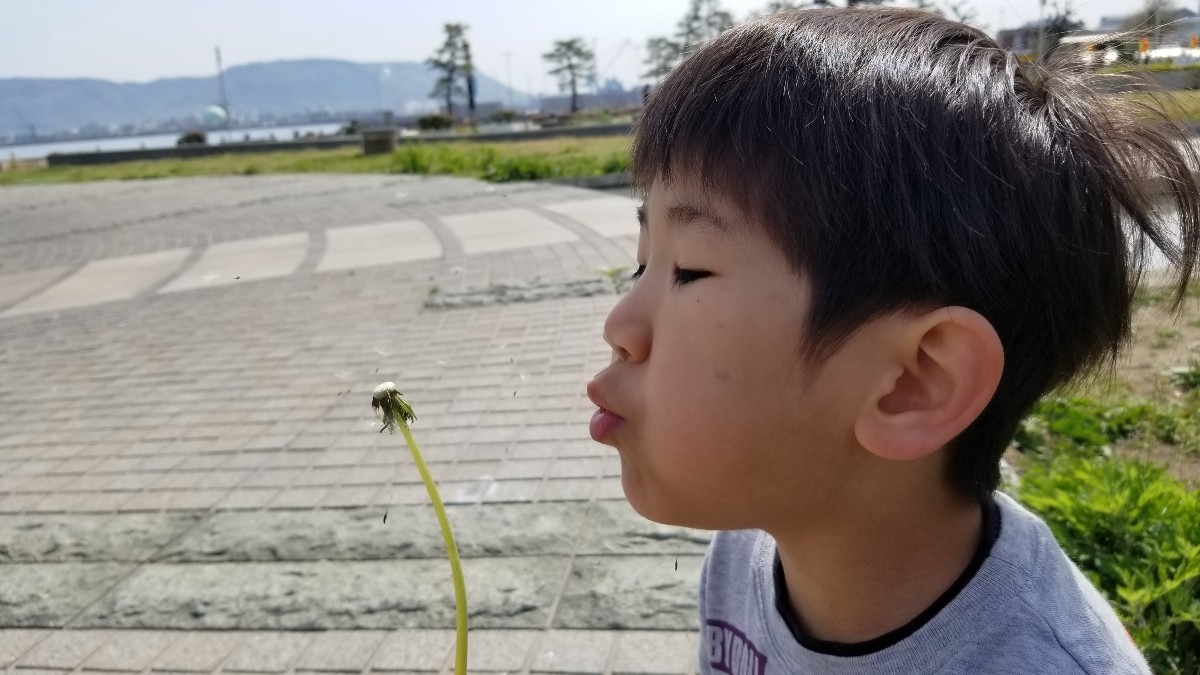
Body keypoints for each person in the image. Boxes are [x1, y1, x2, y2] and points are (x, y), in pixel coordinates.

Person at [585, 7, 1200, 674]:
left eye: (690, 270)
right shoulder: (750, 542)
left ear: (913, 384)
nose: (619, 325)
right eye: (644, 260)